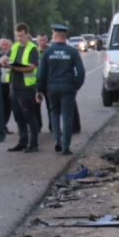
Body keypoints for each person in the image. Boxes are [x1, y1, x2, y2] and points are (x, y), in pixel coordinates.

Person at [35, 23, 85, 155]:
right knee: (67, 115)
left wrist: (39, 89)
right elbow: (81, 71)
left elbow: (41, 73)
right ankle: (66, 145)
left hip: (51, 87)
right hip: (68, 86)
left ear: (54, 35)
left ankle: (57, 139)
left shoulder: (47, 52)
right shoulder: (72, 51)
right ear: (65, 36)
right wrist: (76, 86)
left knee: (54, 113)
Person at [6, 23, 41, 153]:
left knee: (29, 116)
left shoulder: (32, 48)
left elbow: (31, 67)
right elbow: (7, 58)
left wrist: (14, 68)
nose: (19, 38)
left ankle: (33, 143)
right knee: (18, 116)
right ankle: (22, 141)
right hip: (14, 86)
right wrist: (4, 61)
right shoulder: (15, 47)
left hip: (27, 87)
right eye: (17, 36)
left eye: (21, 36)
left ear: (27, 34)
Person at [0, 36, 15, 134]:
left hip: (9, 84)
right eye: (2, 45)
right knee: (0, 106)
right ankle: (0, 126)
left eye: (6, 45)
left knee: (8, 106)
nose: (5, 46)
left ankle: (4, 125)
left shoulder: (11, 55)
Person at [34, 32, 50, 132]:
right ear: (37, 41)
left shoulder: (49, 51)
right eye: (40, 40)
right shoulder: (34, 52)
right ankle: (38, 126)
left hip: (48, 82)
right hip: (37, 82)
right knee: (36, 106)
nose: (42, 42)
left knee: (50, 106)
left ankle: (52, 127)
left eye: (44, 40)